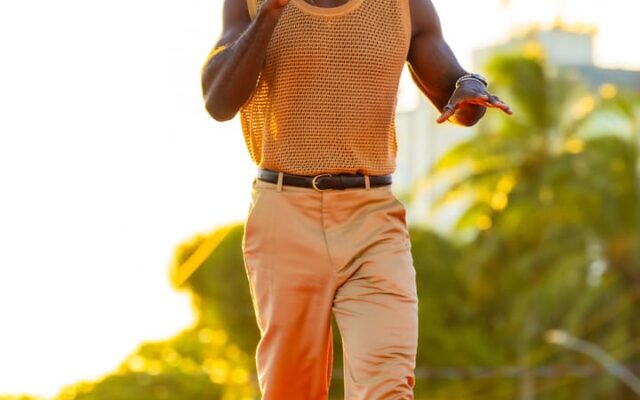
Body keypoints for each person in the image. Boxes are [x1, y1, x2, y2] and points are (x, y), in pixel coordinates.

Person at [201, 0, 512, 398]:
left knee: (388, 387)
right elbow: (219, 102)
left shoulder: (405, 6)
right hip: (284, 214)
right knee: (291, 389)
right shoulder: (250, 4)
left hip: (373, 218)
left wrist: (470, 86)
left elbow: (457, 97)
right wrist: (270, 13)